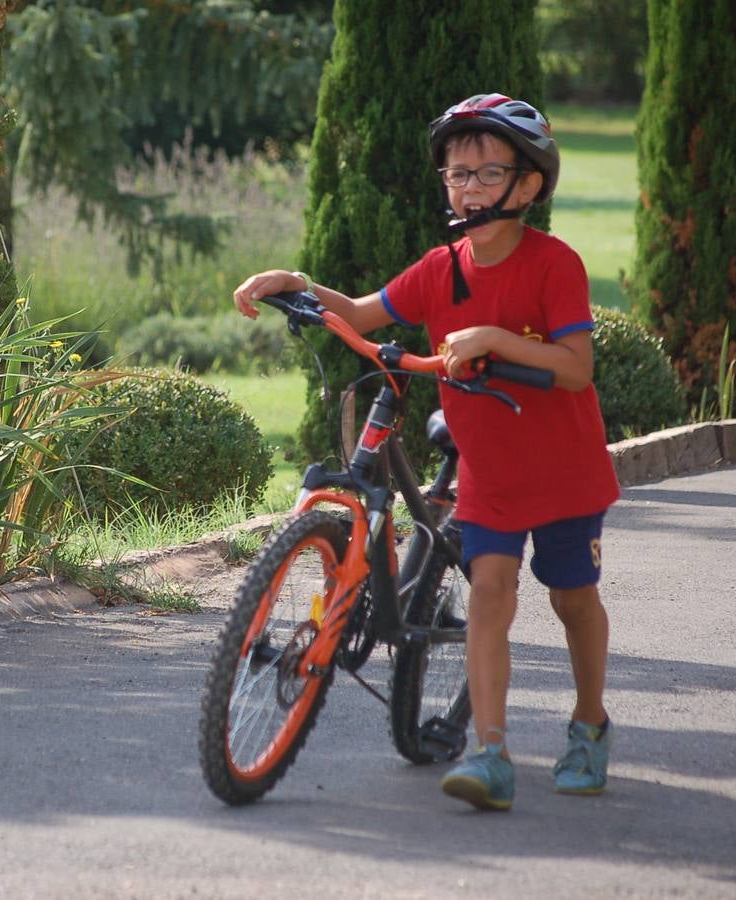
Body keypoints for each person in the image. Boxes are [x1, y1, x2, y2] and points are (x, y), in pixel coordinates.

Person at [231, 93, 620, 812]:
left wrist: (494, 340)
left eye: (483, 173)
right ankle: (490, 753)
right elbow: (360, 311)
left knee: (570, 598)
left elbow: (574, 367)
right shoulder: (441, 268)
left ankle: (589, 722)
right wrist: (297, 283)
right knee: (490, 600)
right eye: (454, 174)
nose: (465, 187)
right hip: (491, 473)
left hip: (562, 471)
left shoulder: (551, 264)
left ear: (527, 184)